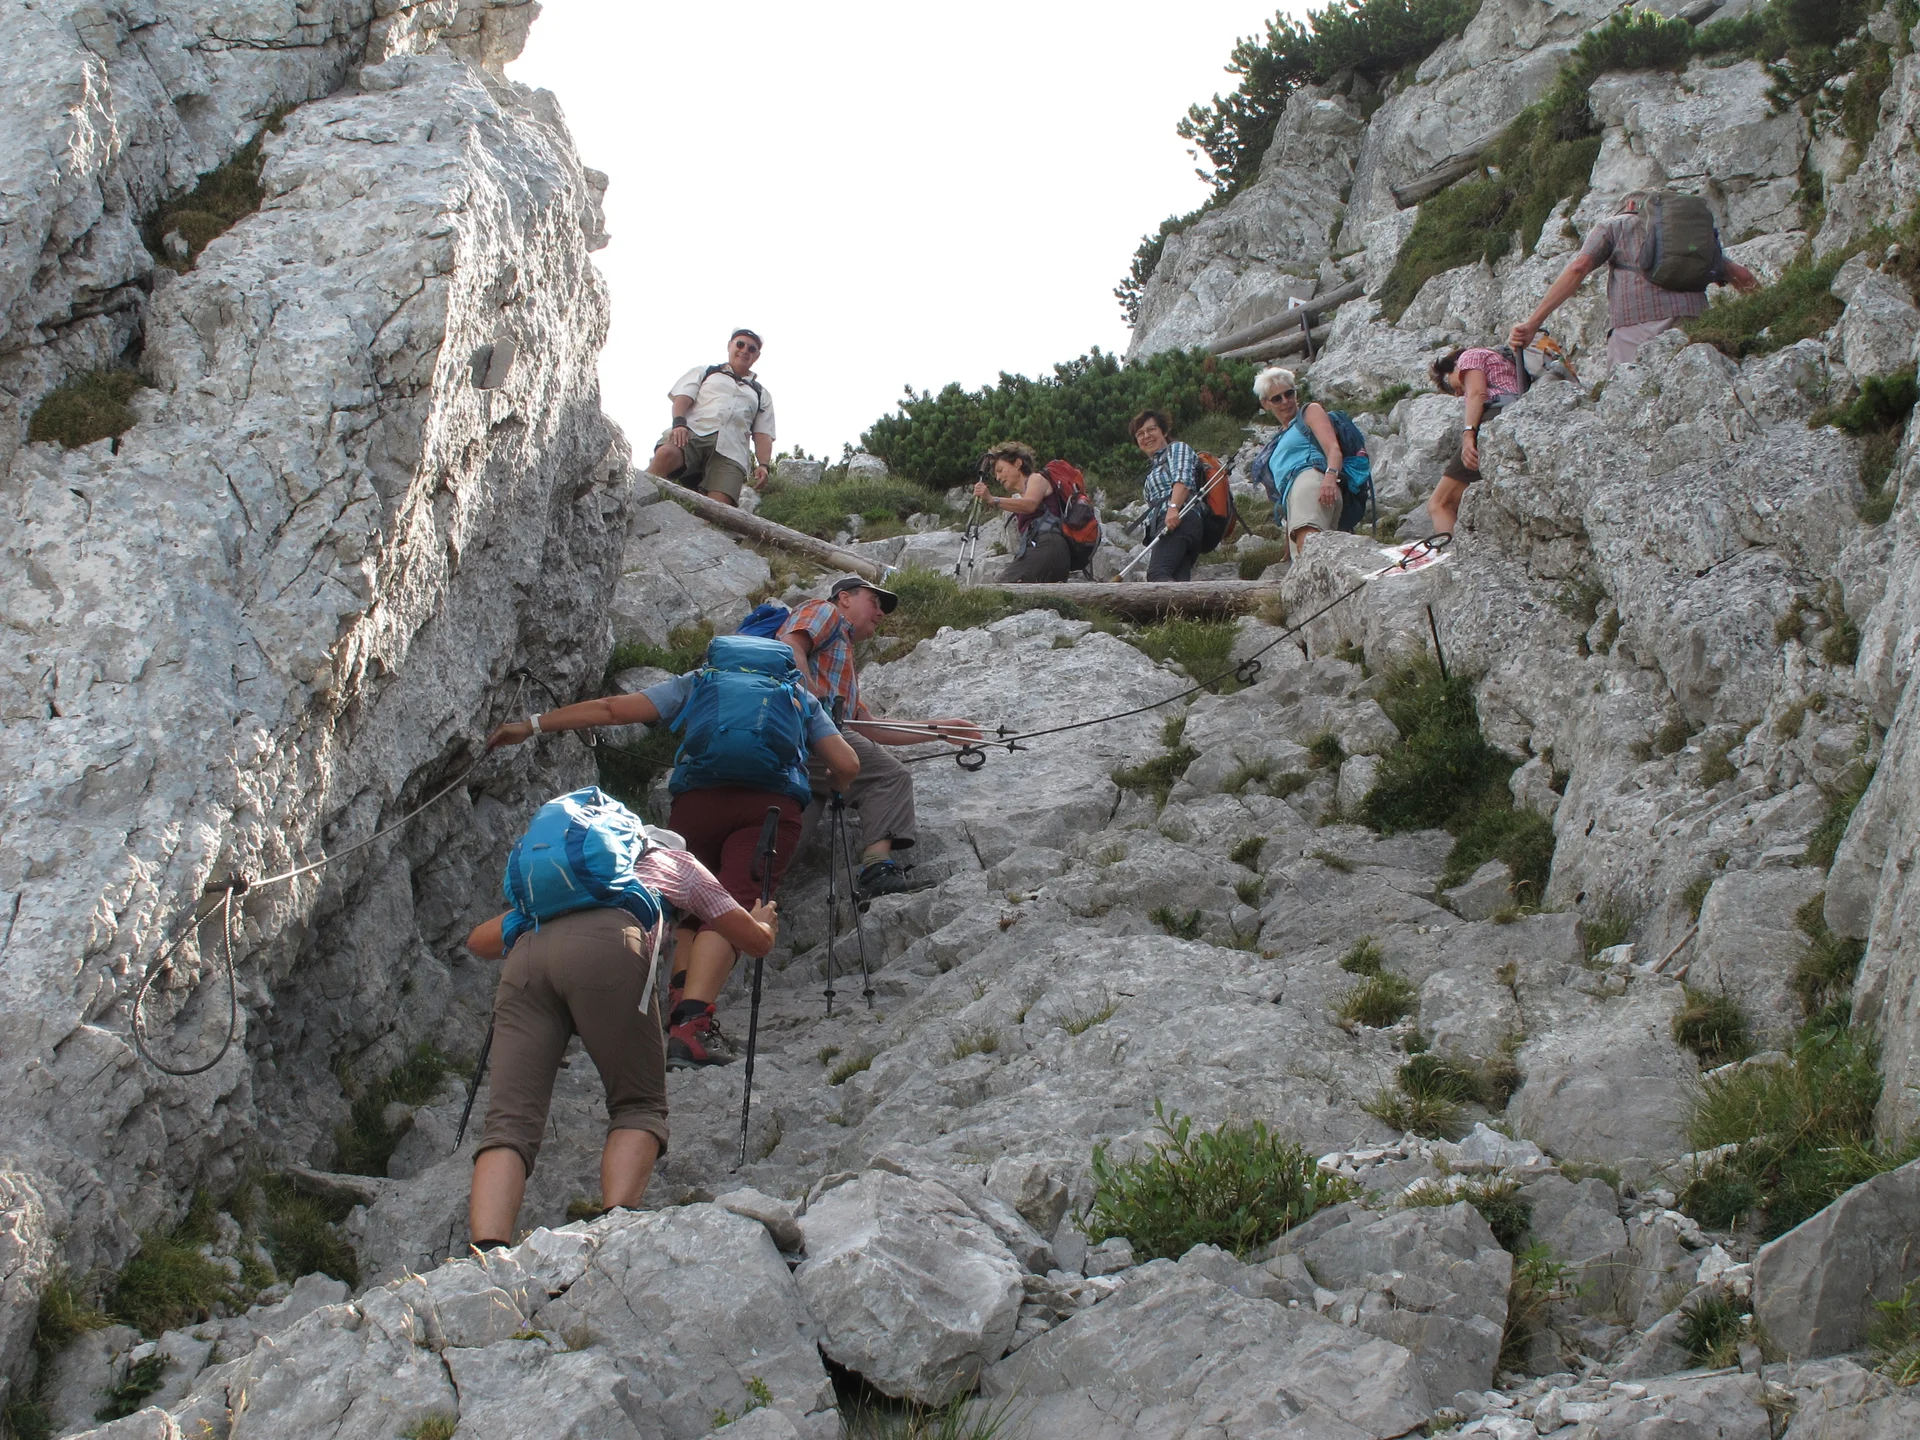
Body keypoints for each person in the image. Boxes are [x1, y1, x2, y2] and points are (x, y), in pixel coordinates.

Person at [485, 640, 860, 1068]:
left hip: (697, 802)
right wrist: (833, 779)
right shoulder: (797, 695)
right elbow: (847, 764)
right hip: (770, 810)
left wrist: (531, 724)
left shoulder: (699, 683)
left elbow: (612, 709)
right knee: (735, 904)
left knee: (687, 904)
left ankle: (679, 1004)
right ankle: (691, 1027)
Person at [462, 801, 778, 1249]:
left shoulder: (565, 888)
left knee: (509, 1123)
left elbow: (479, 941)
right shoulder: (676, 863)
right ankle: (614, 1231)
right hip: (611, 948)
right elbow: (749, 938)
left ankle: (488, 1253)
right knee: (637, 1103)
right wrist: (765, 925)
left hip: (528, 960)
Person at [778, 576, 982, 898]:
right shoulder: (825, 612)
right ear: (844, 598)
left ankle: (737, 901)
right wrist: (812, 702)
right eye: (874, 602)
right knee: (889, 775)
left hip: (805, 752)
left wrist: (941, 730)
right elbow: (790, 647)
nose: (881, 612)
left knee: (787, 847)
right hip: (806, 731)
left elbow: (868, 727)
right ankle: (876, 869)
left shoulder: (842, 663)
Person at [1509, 192, 1758, 365]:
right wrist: (1772, 315)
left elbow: (1579, 267)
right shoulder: (1686, 236)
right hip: (1697, 322)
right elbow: (1741, 275)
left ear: (1629, 204)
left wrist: (1533, 323)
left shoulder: (1616, 225)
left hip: (1638, 328)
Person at [648, 329, 776, 506]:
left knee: (719, 509)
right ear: (729, 346)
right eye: (740, 344)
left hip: (732, 450)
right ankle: (638, 494)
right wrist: (679, 423)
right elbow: (683, 398)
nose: (745, 350)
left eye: (751, 349)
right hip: (695, 432)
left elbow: (763, 433)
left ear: (757, 356)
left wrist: (763, 465)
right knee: (666, 454)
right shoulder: (706, 372)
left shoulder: (761, 394)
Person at [1249, 367, 1346, 559]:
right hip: (1295, 496)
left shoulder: (1310, 412)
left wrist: (1330, 477)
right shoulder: (1280, 437)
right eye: (1277, 398)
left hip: (1311, 482)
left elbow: (1333, 448)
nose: (1285, 401)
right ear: (1265, 403)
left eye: (1289, 393)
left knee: (1309, 549)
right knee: (1306, 557)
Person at [1426, 346, 1524, 537]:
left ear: (1454, 365)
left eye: (1450, 385)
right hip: (1512, 419)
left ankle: (1453, 559)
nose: (1457, 394)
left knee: (1440, 504)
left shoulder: (1470, 356)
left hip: (1493, 417)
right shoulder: (1507, 364)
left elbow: (1477, 393)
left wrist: (1468, 435)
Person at [972, 440, 1069, 583]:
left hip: (1048, 546)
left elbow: (1030, 505)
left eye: (1000, 470)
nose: (998, 477)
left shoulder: (1036, 478)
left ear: (1018, 463)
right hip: (1051, 552)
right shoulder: (1021, 497)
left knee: (1002, 588)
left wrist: (993, 500)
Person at [1131, 410, 1208, 582]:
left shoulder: (1177, 449)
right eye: (1140, 434)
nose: (1146, 436)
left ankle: (1174, 609)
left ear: (1164, 431)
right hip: (1172, 522)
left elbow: (1183, 479)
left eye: (1151, 429)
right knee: (1177, 579)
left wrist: (1173, 508)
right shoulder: (1153, 470)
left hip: (1181, 517)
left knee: (1157, 574)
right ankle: (1183, 610)